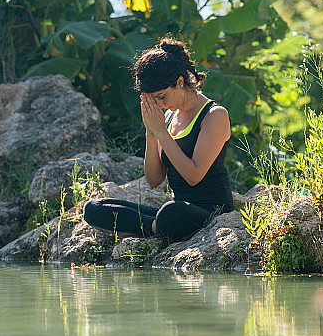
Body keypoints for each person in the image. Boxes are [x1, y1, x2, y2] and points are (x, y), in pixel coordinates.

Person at [83, 38, 235, 242]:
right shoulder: (169, 117)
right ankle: (156, 228)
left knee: (171, 212)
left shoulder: (214, 115)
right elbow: (154, 180)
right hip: (176, 209)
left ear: (180, 82)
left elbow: (193, 176)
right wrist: (151, 131)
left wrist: (161, 132)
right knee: (93, 208)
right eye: (154, 100)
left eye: (162, 97)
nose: (161, 105)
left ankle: (155, 227)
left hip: (211, 212)